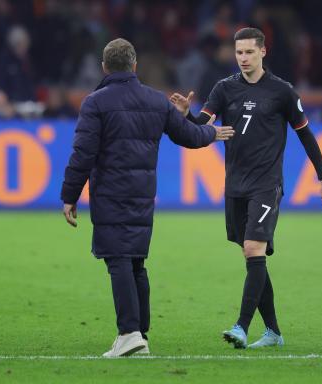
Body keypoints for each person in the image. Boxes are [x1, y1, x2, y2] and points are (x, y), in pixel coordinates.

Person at [60, 38, 234, 358]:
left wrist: (69, 195)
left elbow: (82, 154)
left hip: (110, 195)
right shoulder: (156, 101)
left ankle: (129, 333)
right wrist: (211, 132)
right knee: (136, 262)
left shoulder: (95, 103)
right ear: (135, 66)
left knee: (119, 260)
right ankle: (140, 334)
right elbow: (190, 136)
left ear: (104, 67)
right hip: (142, 195)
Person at [170, 27, 322, 349]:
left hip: (266, 183)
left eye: (249, 52)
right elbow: (200, 128)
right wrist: (184, 116)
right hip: (235, 185)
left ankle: (241, 327)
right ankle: (273, 332)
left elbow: (306, 135)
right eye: (239, 53)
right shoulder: (223, 89)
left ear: (263, 52)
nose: (243, 58)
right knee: (253, 257)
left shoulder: (282, 92)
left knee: (253, 249)